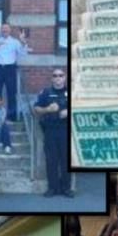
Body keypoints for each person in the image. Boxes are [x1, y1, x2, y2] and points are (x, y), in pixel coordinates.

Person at [34, 69, 71, 197]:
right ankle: (52, 188)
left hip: (66, 131)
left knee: (66, 161)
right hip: (50, 131)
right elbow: (36, 109)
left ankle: (66, 188)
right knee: (51, 161)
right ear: (52, 79)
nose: (58, 78)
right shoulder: (46, 93)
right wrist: (47, 109)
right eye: (55, 76)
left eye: (61, 75)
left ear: (65, 77)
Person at [0, 23, 28, 121]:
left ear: (10, 30)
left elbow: (23, 53)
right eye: (3, 29)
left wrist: (23, 43)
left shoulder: (15, 42)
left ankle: (11, 116)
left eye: (6, 29)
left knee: (11, 92)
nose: (5, 31)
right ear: (1, 30)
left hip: (10, 68)